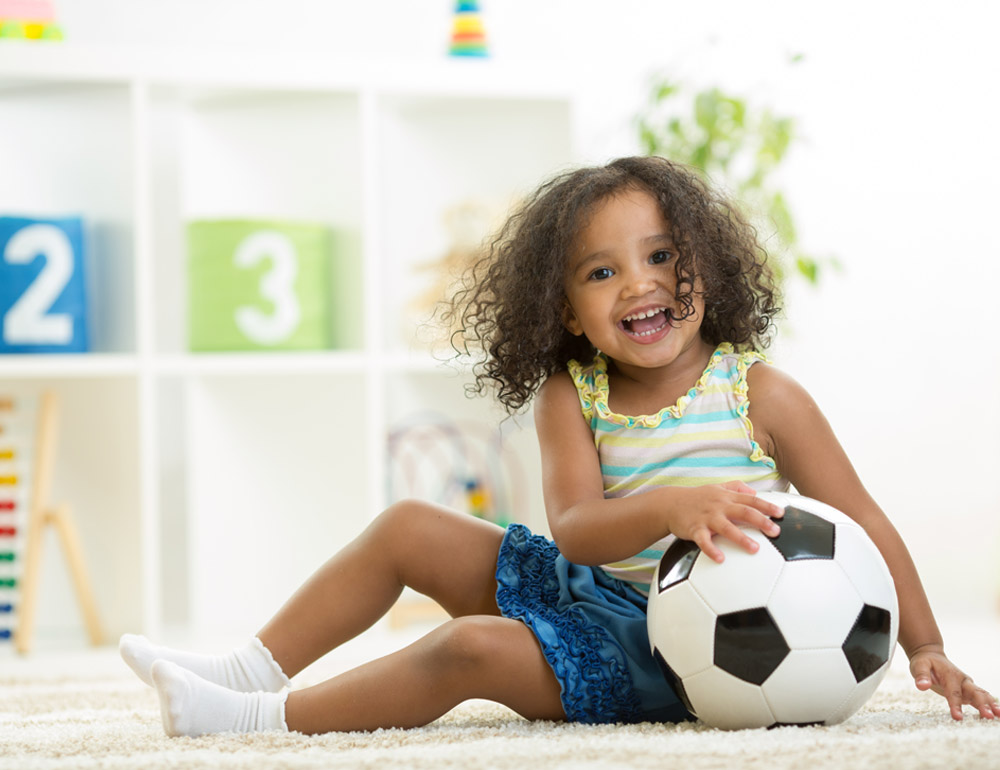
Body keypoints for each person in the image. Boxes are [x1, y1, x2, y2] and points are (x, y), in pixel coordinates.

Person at [120, 156, 999, 736]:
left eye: (662, 256)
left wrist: (923, 644)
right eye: (602, 271)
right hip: (597, 588)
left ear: (710, 269)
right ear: (563, 306)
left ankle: (256, 720)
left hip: (679, 652)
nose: (640, 283)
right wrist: (669, 507)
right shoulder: (569, 394)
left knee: (469, 646)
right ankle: (241, 667)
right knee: (408, 528)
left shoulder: (761, 394)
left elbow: (863, 519)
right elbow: (576, 528)